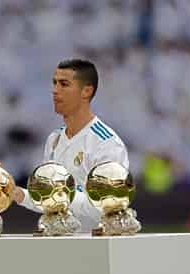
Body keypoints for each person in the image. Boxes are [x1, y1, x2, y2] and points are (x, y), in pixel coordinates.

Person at [14, 59, 129, 232]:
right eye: (54, 83)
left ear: (86, 91)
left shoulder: (106, 143)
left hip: (94, 247)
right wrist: (19, 194)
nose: (55, 91)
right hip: (59, 243)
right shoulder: (54, 139)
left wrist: (58, 195)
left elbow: (107, 206)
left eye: (64, 84)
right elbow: (50, 202)